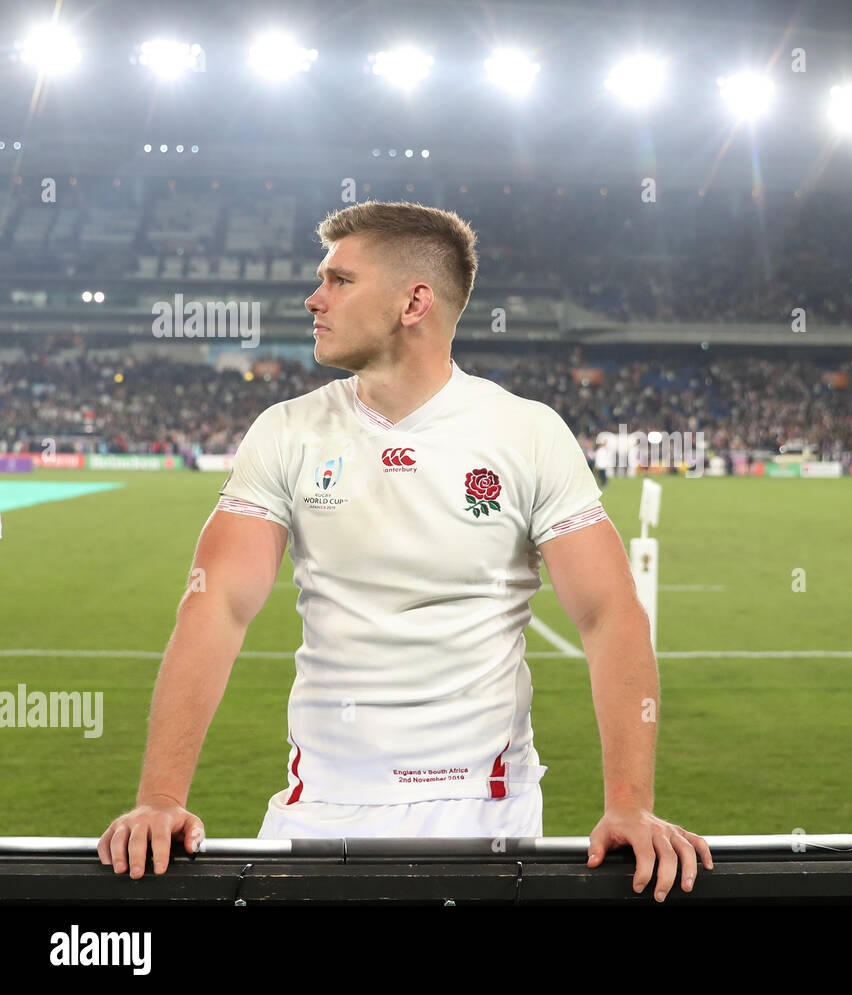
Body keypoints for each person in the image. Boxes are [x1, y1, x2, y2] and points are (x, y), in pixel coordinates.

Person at [98, 200, 711, 903]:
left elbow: (611, 614)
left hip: (486, 816)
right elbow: (215, 608)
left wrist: (629, 803)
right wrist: (160, 796)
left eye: (340, 280)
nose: (314, 297)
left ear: (413, 301)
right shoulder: (287, 431)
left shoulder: (526, 434)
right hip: (317, 807)